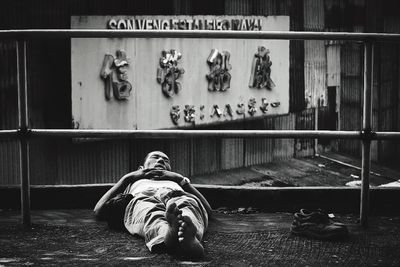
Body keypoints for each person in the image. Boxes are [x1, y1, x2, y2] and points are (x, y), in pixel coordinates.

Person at [94, 151, 212, 259]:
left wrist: (180, 179)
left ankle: (190, 238)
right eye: (155, 157)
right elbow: (98, 210)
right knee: (150, 212)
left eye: (166, 160)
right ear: (141, 168)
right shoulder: (134, 181)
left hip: (177, 195)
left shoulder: (176, 182)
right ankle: (168, 234)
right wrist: (128, 178)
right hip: (144, 196)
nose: (161, 161)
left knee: (187, 208)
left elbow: (208, 210)